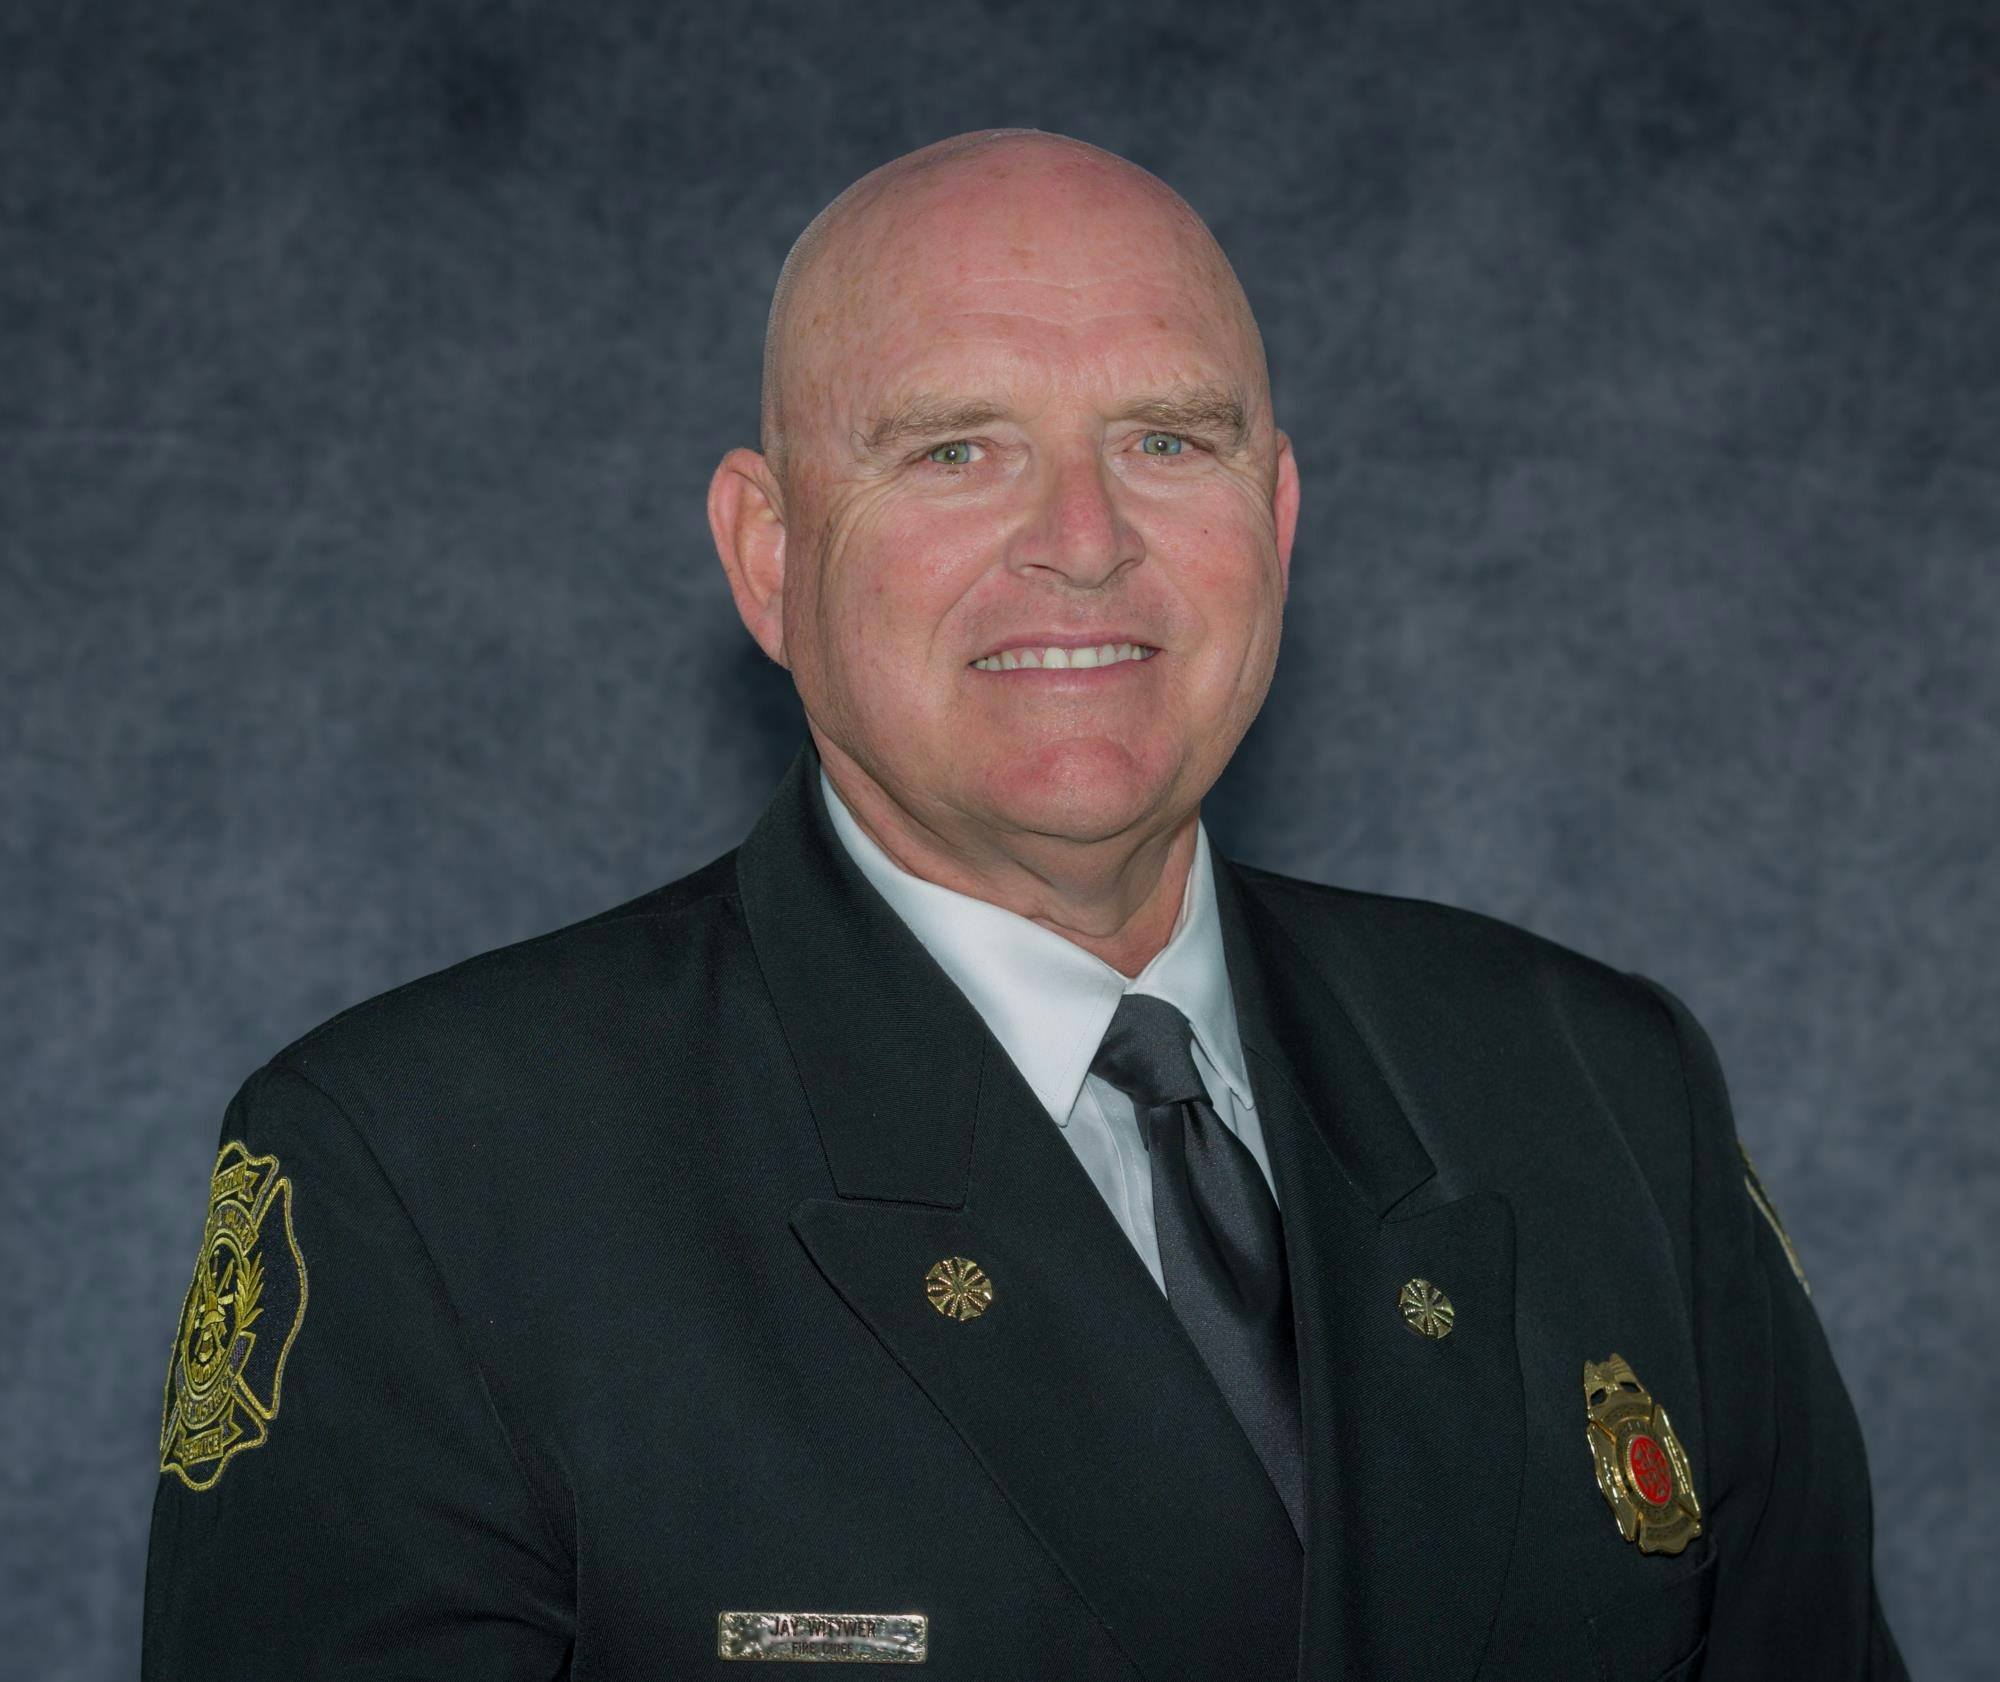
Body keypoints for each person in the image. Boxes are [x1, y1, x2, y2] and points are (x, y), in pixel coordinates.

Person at [144, 129, 1905, 1680]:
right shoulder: (428, 1173)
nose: (1083, 535)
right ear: (768, 555)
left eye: (1167, 437)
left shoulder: (1602, 1093)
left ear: (1276, 516)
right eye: (954, 451)